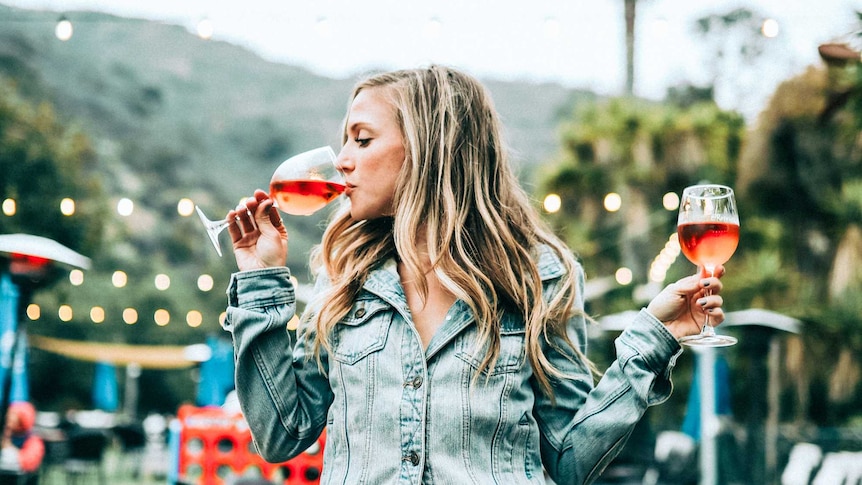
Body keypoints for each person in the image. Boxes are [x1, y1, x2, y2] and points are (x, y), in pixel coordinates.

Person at [221, 65, 727, 485]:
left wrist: (652, 341)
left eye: (362, 139)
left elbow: (570, 461)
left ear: (429, 148)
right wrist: (261, 277)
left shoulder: (537, 279)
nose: (343, 162)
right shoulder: (345, 280)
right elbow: (280, 434)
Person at [0, 402, 45, 475]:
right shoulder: (4, 434)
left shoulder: (33, 440)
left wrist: (8, 447)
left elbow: (28, 463)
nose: (8, 418)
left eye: (12, 415)